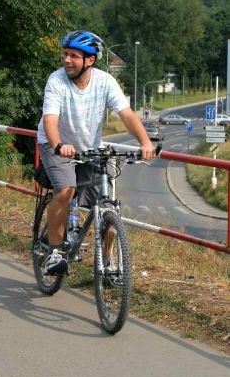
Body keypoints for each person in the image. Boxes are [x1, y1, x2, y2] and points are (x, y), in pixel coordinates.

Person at [37, 30, 155, 275]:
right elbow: (49, 121)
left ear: (90, 60)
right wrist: (59, 145)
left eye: (74, 56)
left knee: (107, 203)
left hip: (91, 148)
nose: (67, 60)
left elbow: (126, 115)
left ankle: (107, 262)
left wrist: (145, 143)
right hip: (55, 144)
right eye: (65, 54)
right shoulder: (56, 81)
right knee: (66, 190)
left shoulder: (105, 82)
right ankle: (54, 252)